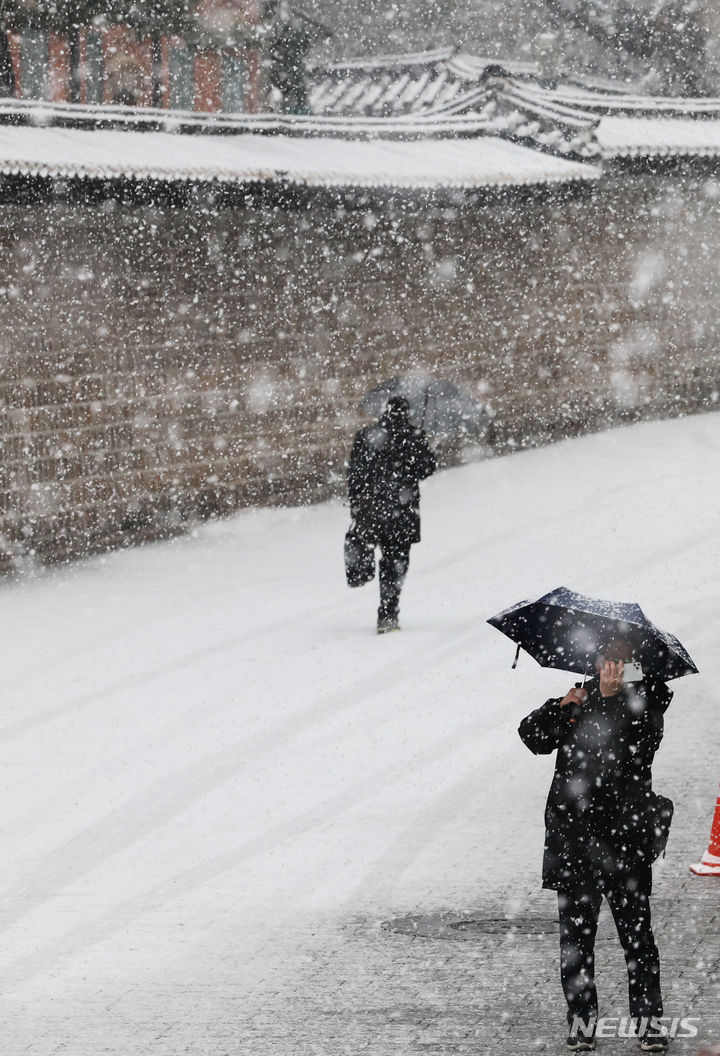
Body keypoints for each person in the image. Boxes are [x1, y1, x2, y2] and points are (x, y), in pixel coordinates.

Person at [518, 639, 673, 1053]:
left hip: (625, 842)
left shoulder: (646, 704)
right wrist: (562, 707)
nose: (612, 668)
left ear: (634, 666)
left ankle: (649, 1022)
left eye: (621, 661)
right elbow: (531, 736)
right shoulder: (579, 700)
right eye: (606, 660)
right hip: (574, 842)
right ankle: (582, 1021)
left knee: (637, 936)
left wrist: (608, 704)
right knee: (576, 940)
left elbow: (637, 752)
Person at [347, 396, 436, 633]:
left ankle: (364, 575)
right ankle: (388, 612)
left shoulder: (367, 436)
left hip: (373, 510)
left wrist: (357, 506)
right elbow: (427, 469)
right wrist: (420, 448)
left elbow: (355, 474)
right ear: (406, 413)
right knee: (395, 561)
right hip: (402, 512)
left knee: (371, 548)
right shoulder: (413, 437)